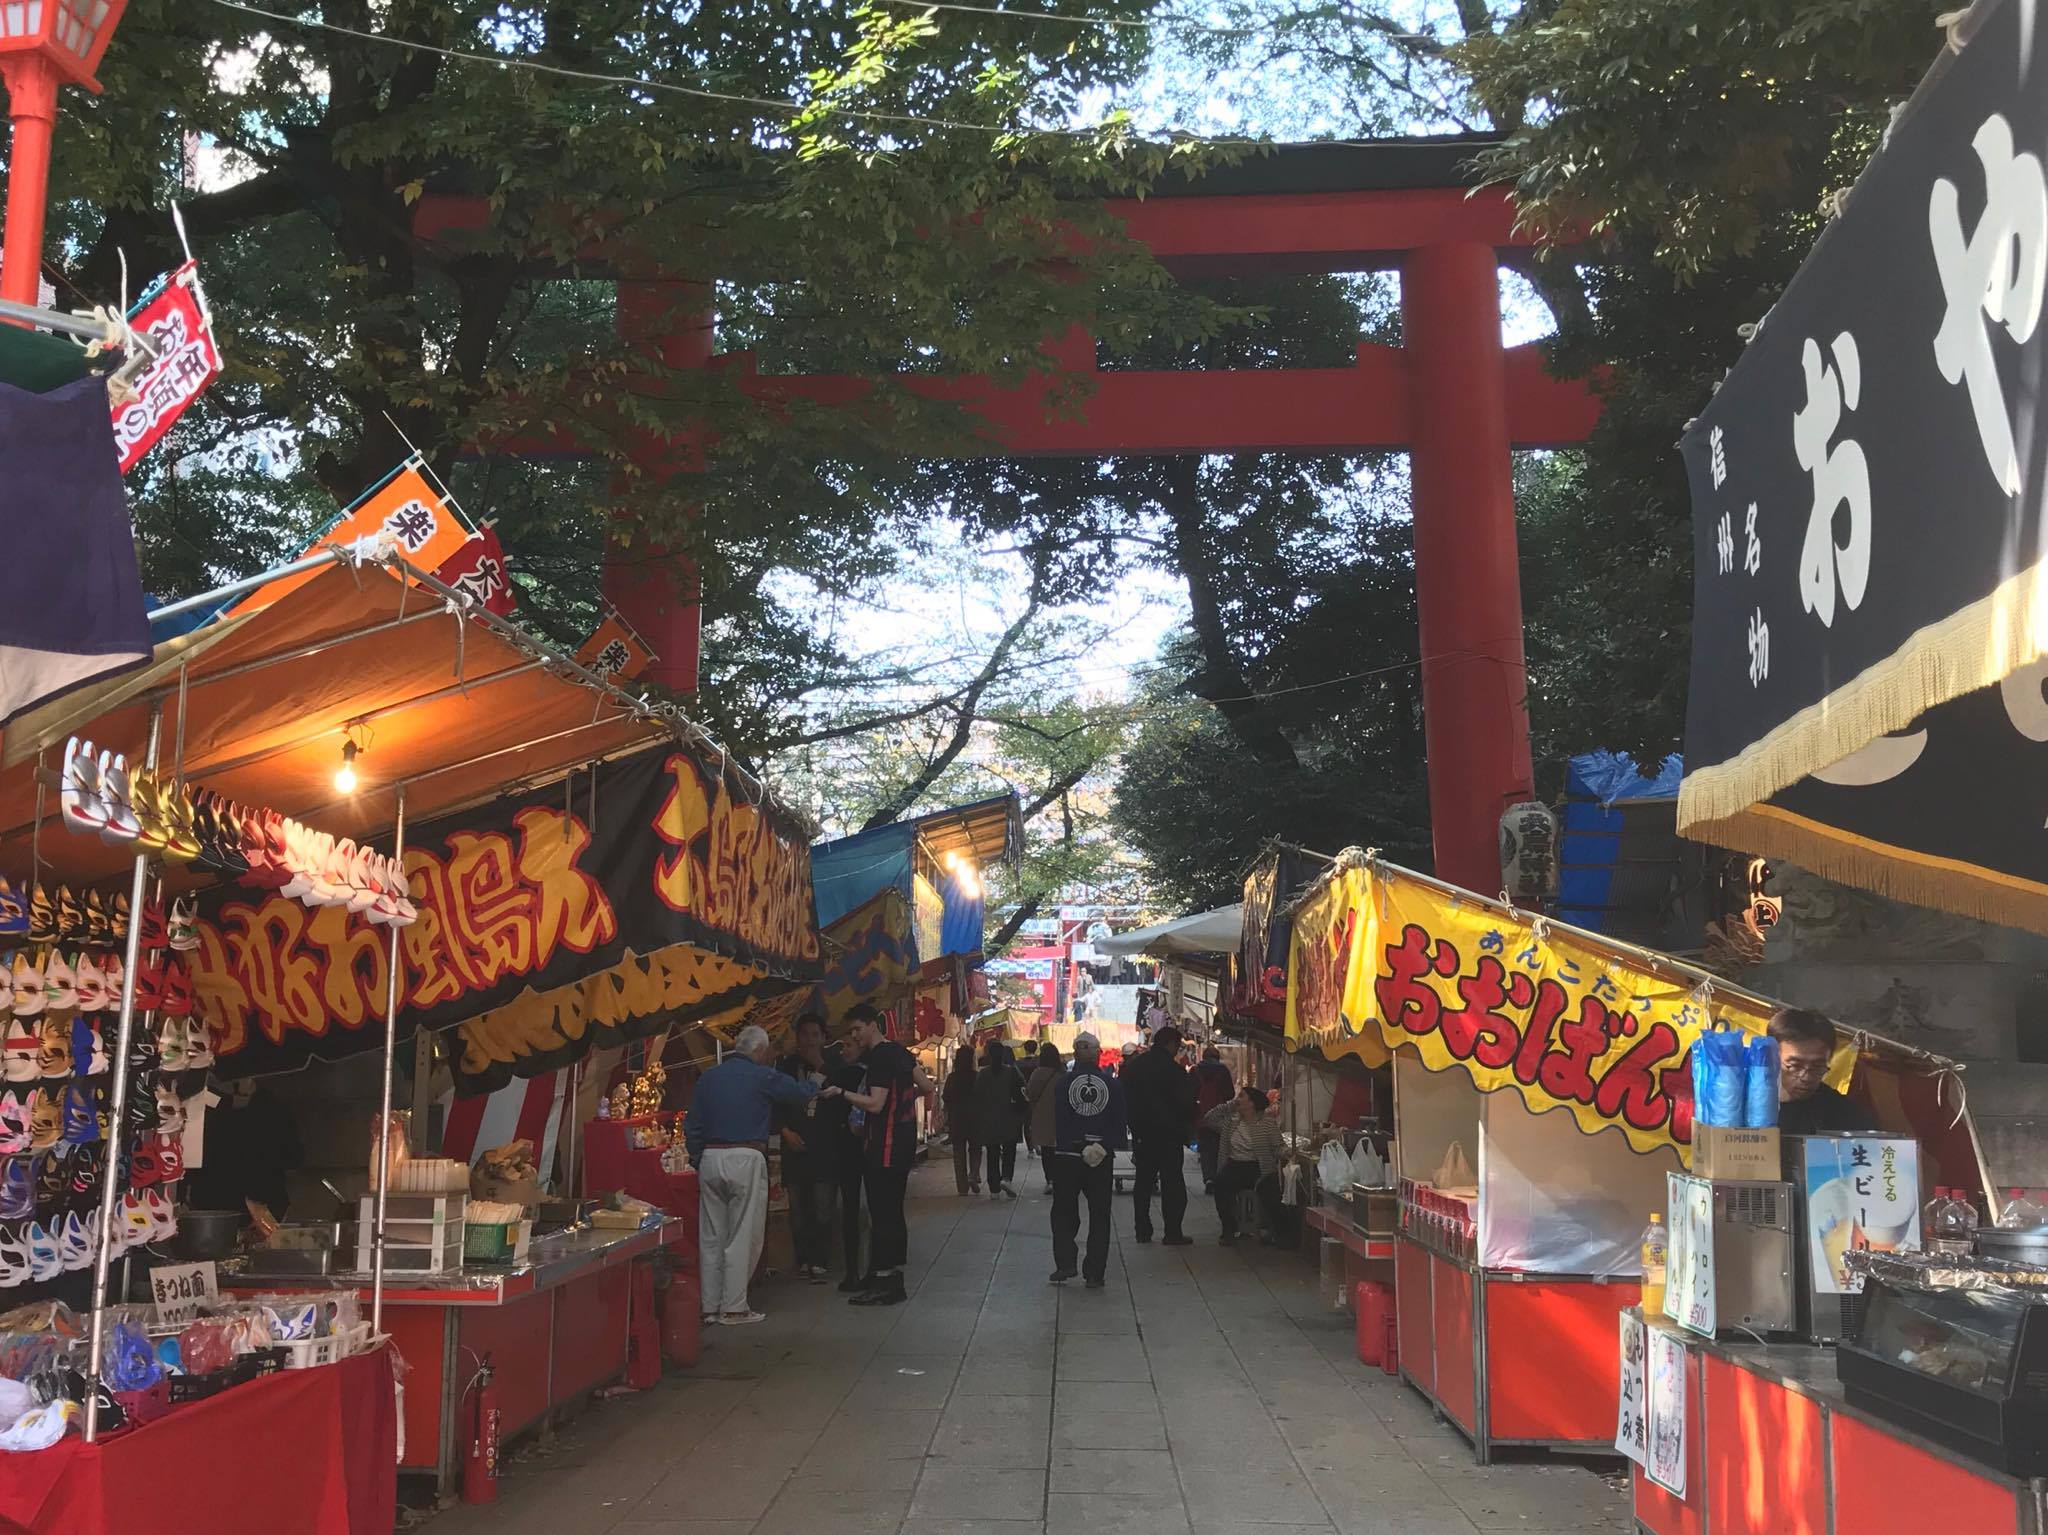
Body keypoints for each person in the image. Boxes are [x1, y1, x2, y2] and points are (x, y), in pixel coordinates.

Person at [684, 1023, 825, 1324]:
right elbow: (798, 1094)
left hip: (710, 1157)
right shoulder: (763, 1075)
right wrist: (817, 1081)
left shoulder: (709, 1077)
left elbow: (692, 1123)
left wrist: (698, 1157)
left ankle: (710, 1307)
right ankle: (734, 1306)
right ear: (759, 1051)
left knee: (711, 1236)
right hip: (745, 1155)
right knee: (742, 1234)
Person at [837, 1003, 932, 1306]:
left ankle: (885, 1282)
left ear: (873, 1025)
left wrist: (842, 1093)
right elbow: (926, 1085)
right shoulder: (900, 1051)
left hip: (885, 1144)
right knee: (893, 1210)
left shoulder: (879, 1058)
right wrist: (902, 1102)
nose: (855, 1036)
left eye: (857, 1029)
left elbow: (875, 1104)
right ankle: (889, 1277)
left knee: (882, 1212)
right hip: (903, 1142)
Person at [1049, 1032, 1127, 1288]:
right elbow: (1119, 1122)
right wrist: (1104, 1144)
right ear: (1097, 1052)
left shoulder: (1063, 1084)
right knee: (1100, 1215)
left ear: (1074, 1051)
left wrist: (1070, 1142)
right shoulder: (1112, 1085)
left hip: (1068, 1157)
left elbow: (1060, 1120)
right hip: (1101, 1157)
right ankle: (1095, 1271)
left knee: (1063, 1211)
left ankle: (1065, 1263)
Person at [776, 1012, 844, 1282]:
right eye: (804, 1034)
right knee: (798, 1209)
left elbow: (842, 1106)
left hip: (825, 1148)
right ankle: (802, 1258)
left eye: (815, 1035)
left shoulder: (836, 1065)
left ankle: (820, 1259)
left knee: (823, 1206)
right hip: (794, 1147)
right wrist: (785, 1132)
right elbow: (777, 1103)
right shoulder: (786, 1067)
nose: (810, 1040)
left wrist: (822, 1067)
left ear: (824, 1037)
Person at [1122, 1024, 1195, 1246]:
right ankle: (1172, 1231)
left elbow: (1127, 1101)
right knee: (1172, 1183)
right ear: (1171, 1044)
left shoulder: (1134, 1067)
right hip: (1169, 1135)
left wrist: (1135, 1128)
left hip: (1143, 1134)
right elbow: (1185, 1103)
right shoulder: (1174, 1071)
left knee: (1143, 1183)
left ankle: (1142, 1230)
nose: (1178, 1050)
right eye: (1178, 1046)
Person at [1770, 1007, 1870, 1135]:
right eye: (1795, 1065)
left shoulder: (1840, 1112)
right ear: (1771, 1056)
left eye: (1817, 1067)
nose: (1806, 1077)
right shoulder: (1744, 1104)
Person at [1204, 1087, 1283, 1247]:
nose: (1238, 1099)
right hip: (1234, 1165)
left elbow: (1277, 1145)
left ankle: (1278, 1233)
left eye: (1241, 1096)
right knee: (1221, 1186)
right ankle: (1228, 1230)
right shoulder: (1231, 1122)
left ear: (1252, 1103)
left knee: (1271, 1192)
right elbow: (1209, 1118)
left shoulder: (1266, 1123)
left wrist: (1286, 1153)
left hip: (1259, 1166)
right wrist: (1231, 1104)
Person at [973, 1041, 1027, 1199]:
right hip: (1009, 1117)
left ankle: (994, 1188)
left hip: (989, 1119)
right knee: (1009, 1151)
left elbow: (977, 1096)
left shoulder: (983, 1074)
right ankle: (1006, 1179)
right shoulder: (1012, 1072)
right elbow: (1023, 1093)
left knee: (992, 1152)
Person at [1191, 1046, 1235, 1193]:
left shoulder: (1195, 1071)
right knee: (1219, 1147)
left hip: (1201, 1116)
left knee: (1204, 1148)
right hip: (1219, 1117)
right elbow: (1230, 1094)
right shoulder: (1223, 1071)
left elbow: (1190, 1095)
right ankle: (1218, 1177)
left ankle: (1208, 1178)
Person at [1023, 1042, 1063, 1192]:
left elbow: (1030, 1093)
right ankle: (1060, 1177)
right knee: (1059, 1148)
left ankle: (1050, 1179)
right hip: (1060, 1115)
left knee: (1047, 1150)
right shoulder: (1062, 1072)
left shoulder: (1038, 1073)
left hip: (1043, 1115)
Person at [943, 1049, 982, 1196]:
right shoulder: (977, 1076)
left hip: (957, 1119)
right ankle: (973, 1174)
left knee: (959, 1152)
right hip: (975, 1118)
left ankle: (962, 1187)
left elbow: (945, 1096)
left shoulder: (952, 1078)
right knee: (976, 1148)